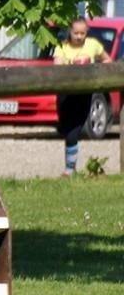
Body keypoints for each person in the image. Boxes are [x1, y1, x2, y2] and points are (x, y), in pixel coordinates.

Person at [54, 17, 111, 176]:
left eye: (82, 33)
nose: (79, 36)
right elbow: (56, 66)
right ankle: (70, 168)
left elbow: (107, 60)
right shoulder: (62, 47)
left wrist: (96, 70)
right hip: (66, 94)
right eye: (76, 33)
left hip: (84, 93)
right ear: (69, 32)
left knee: (74, 131)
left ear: (87, 33)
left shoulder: (93, 45)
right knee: (67, 130)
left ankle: (69, 169)